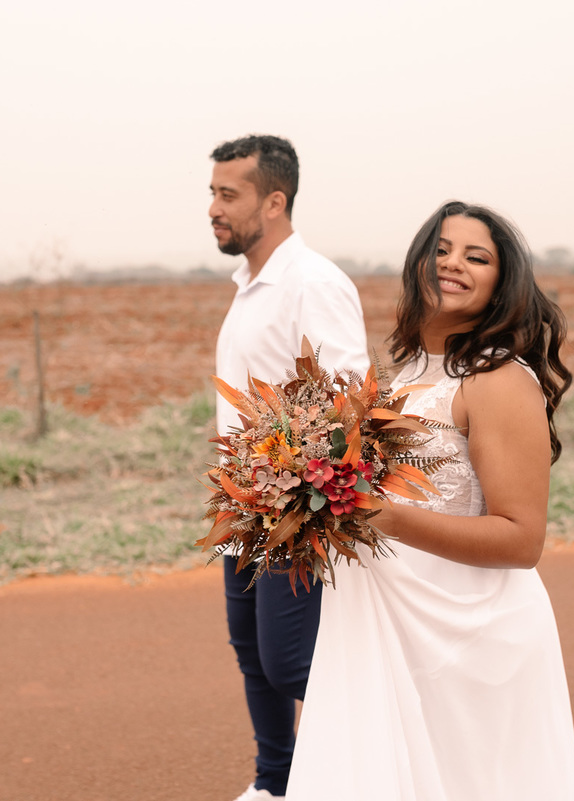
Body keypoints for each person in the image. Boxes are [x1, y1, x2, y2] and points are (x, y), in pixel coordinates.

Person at [286, 201, 574, 800]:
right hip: (386, 619)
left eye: (476, 256)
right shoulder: (404, 376)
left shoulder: (498, 381)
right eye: (440, 249)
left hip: (466, 639)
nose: (452, 263)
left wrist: (377, 516)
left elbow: (523, 539)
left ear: (500, 284)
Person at [208, 134, 369, 801]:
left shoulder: (314, 283)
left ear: (274, 201)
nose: (213, 209)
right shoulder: (250, 286)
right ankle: (277, 785)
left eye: (228, 194)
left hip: (294, 507)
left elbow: (350, 398)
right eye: (212, 194)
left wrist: (295, 484)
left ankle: (375, 766)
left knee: (290, 662)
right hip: (242, 501)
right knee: (250, 650)